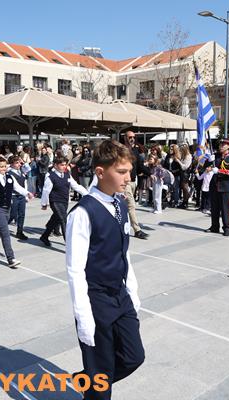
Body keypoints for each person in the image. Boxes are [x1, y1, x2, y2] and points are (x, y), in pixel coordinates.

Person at [66, 140, 144, 400]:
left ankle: (87, 380)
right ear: (100, 172)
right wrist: (83, 317)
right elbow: (75, 270)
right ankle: (94, 383)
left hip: (119, 295)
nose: (128, 178)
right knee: (101, 378)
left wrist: (132, 290)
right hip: (96, 300)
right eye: (121, 172)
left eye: (129, 171)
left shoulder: (119, 204)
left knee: (134, 357)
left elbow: (124, 252)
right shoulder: (82, 213)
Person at [39, 157, 88, 247]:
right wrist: (44, 203)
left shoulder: (67, 174)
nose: (64, 166)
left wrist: (88, 195)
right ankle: (69, 244)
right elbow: (46, 190)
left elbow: (76, 186)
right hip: (55, 201)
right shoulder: (50, 176)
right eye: (62, 165)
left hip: (64, 201)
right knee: (64, 220)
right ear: (55, 165)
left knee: (56, 219)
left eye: (65, 164)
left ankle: (44, 236)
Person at [205, 139, 229, 236]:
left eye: (223, 145)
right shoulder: (216, 156)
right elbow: (205, 167)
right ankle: (214, 226)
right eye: (220, 145)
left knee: (225, 209)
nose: (221, 146)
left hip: (225, 186)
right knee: (214, 208)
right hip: (214, 185)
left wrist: (219, 171)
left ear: (228, 146)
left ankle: (227, 228)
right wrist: (208, 160)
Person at [123, 131, 149, 240]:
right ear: (125, 138)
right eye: (130, 137)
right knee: (131, 205)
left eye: (134, 137)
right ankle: (137, 230)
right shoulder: (122, 150)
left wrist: (150, 174)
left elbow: (140, 166)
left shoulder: (135, 150)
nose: (132, 139)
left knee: (125, 206)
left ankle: (121, 225)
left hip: (133, 181)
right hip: (125, 182)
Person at [8, 156, 29, 240]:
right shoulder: (9, 173)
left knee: (22, 214)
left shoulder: (21, 171)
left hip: (22, 196)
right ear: (11, 164)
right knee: (12, 214)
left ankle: (19, 232)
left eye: (19, 163)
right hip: (14, 196)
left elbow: (28, 168)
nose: (19, 164)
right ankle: (1, 228)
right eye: (16, 163)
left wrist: (23, 161)